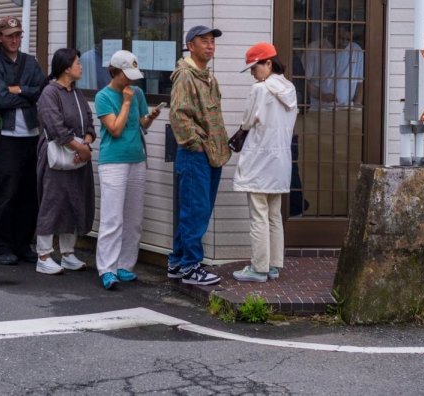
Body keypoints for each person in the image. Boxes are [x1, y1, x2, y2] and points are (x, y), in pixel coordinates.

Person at [94, 50, 162, 289]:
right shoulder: (104, 96)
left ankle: (125, 265)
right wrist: (125, 102)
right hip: (113, 161)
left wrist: (151, 117)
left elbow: (141, 124)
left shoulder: (138, 93)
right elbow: (115, 129)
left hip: (136, 158)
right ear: (114, 71)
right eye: (126, 75)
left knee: (133, 218)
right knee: (112, 218)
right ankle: (107, 268)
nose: (131, 80)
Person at [167, 24, 229, 286]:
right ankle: (192, 266)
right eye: (204, 41)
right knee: (196, 209)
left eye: (212, 41)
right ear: (190, 45)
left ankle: (178, 261)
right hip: (195, 155)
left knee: (195, 209)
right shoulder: (186, 75)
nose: (210, 45)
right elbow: (179, 115)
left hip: (211, 154)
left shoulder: (207, 76)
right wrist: (196, 144)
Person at [230, 43, 297, 283]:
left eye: (254, 67)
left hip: (259, 159)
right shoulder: (289, 88)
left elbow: (247, 122)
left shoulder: (260, 90)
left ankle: (258, 268)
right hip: (279, 162)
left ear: (268, 63)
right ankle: (273, 265)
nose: (252, 73)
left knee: (258, 215)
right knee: (274, 214)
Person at [0, 16, 46, 266]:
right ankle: (0, 246)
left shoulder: (30, 62)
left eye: (18, 34)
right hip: (5, 137)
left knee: (29, 194)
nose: (14, 39)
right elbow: (0, 99)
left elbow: (42, 90)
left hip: (31, 134)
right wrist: (26, 93)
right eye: (9, 35)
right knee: (5, 193)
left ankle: (23, 243)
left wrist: (18, 90)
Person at [34, 48, 96, 275]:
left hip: (78, 155)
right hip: (57, 156)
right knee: (52, 202)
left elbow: (89, 121)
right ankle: (44, 255)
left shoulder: (76, 93)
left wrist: (86, 143)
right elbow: (55, 127)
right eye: (78, 63)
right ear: (66, 67)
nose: (81, 67)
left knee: (74, 200)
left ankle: (68, 253)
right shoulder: (50, 93)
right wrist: (81, 148)